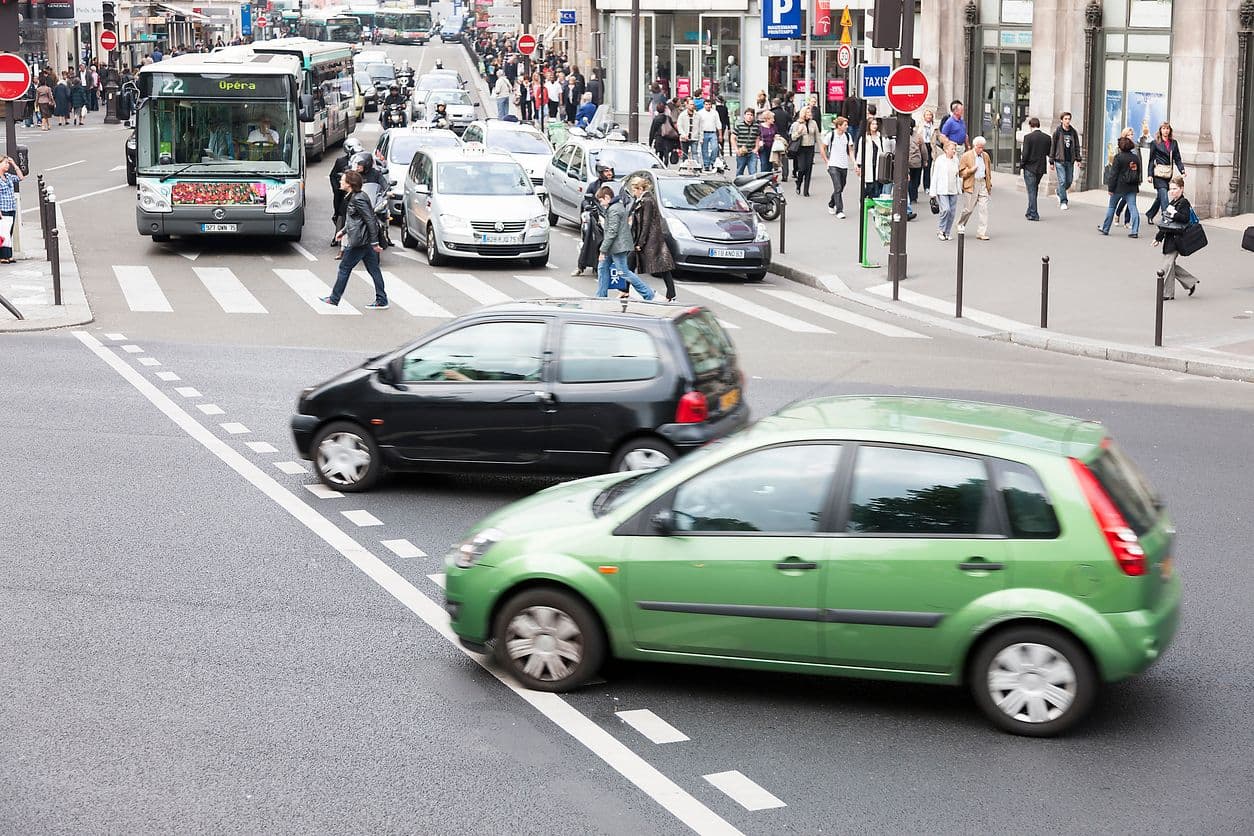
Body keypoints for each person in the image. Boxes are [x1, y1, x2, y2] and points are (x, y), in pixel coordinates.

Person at [322, 171, 388, 309]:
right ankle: (382, 300)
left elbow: (369, 219)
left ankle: (334, 299)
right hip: (365, 240)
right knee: (374, 269)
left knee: (344, 268)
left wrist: (375, 242)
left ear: (350, 184)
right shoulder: (355, 196)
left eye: (343, 180)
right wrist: (343, 231)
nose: (340, 181)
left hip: (360, 241)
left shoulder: (358, 198)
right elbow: (355, 220)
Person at [597, 186, 654, 299]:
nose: (601, 203)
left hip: (618, 247)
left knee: (624, 272)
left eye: (601, 200)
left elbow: (612, 231)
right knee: (602, 267)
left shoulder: (614, 210)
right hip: (614, 246)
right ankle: (601, 296)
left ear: (607, 197)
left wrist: (602, 250)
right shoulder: (615, 207)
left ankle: (648, 293)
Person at [627, 176, 676, 302]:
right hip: (651, 239)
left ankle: (624, 291)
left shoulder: (647, 201)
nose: (633, 192)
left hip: (650, 240)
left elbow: (646, 223)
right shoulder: (643, 200)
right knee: (662, 266)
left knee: (630, 266)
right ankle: (671, 294)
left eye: (634, 189)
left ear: (640, 188)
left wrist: (640, 243)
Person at [1152, 176, 1200, 300]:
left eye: (1175, 189)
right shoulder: (1172, 203)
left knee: (1166, 266)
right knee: (1170, 265)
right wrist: (1158, 238)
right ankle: (1190, 282)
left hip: (1178, 239)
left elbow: (1184, 218)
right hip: (1170, 238)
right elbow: (1166, 222)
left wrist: (1175, 214)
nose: (1172, 191)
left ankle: (1167, 294)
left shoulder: (1184, 202)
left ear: (1181, 189)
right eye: (1170, 189)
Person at [573, 159, 617, 276]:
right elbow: (585, 200)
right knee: (589, 237)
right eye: (606, 171)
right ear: (600, 172)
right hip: (597, 217)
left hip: (612, 217)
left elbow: (624, 199)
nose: (609, 173)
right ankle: (581, 265)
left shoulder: (616, 185)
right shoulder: (594, 186)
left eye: (610, 171)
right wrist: (588, 206)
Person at [1098, 135, 1142, 238]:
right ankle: (1134, 231)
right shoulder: (1135, 158)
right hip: (1131, 187)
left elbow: (1113, 175)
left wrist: (1110, 188)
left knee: (1112, 207)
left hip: (1118, 187)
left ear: (1120, 147)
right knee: (1133, 207)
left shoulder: (1118, 158)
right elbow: (1138, 173)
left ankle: (1106, 228)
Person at [1145, 121, 1185, 225]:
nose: (1165, 131)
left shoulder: (1174, 143)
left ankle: (1150, 213)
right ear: (1160, 130)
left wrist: (1182, 170)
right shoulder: (1155, 143)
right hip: (1158, 174)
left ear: (1170, 130)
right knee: (1164, 195)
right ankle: (1166, 218)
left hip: (1168, 173)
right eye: (1163, 128)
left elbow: (1177, 158)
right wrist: (1149, 175)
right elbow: (1151, 160)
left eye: (1167, 128)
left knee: (1160, 197)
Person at [329, 137, 364, 245]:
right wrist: (338, 189)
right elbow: (333, 176)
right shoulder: (341, 162)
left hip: (357, 192)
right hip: (343, 193)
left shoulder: (363, 162)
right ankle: (336, 236)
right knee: (340, 212)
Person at [957, 135, 993, 240]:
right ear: (974, 146)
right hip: (972, 183)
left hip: (982, 183)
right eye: (979, 147)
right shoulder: (966, 156)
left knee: (984, 209)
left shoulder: (985, 156)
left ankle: (981, 232)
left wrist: (989, 183)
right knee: (968, 209)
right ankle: (961, 224)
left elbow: (988, 170)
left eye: (983, 147)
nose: (981, 150)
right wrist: (970, 170)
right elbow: (961, 172)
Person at [819, 116, 852, 218]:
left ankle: (831, 203)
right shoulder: (831, 135)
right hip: (833, 164)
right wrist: (826, 161)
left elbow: (850, 150)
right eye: (845, 125)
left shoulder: (847, 135)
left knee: (841, 186)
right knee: (837, 187)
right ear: (839, 126)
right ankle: (839, 210)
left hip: (844, 165)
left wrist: (854, 162)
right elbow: (823, 148)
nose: (847, 126)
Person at [1020, 117, 1051, 222]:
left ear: (1030, 125)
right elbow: (1048, 152)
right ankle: (1030, 211)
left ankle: (1034, 213)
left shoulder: (1028, 137)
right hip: (1041, 167)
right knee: (1034, 189)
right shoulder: (1047, 138)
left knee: (1031, 191)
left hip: (1030, 167)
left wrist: (1022, 165)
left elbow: (1025, 154)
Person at [1049, 111, 1082, 210]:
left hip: (1070, 160)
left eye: (1069, 119)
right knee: (1062, 181)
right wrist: (1051, 161)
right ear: (1062, 120)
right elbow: (1053, 146)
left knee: (1069, 181)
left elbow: (1076, 146)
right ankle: (1063, 201)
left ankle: (1059, 191)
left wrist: (1078, 159)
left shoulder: (1073, 132)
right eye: (1065, 119)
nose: (1067, 121)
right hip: (1060, 160)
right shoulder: (1058, 132)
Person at [930, 140, 961, 241]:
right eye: (952, 149)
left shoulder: (956, 160)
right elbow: (935, 176)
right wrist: (932, 193)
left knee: (952, 212)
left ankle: (947, 232)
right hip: (942, 189)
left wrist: (959, 188)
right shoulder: (940, 160)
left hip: (953, 190)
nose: (954, 151)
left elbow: (957, 175)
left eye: (954, 149)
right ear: (946, 150)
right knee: (946, 210)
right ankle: (941, 230)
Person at [789, 106, 820, 196]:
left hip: (810, 147)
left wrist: (822, 148)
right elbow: (793, 137)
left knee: (809, 169)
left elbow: (817, 136)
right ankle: (798, 183)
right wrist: (799, 132)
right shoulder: (797, 124)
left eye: (810, 113)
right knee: (802, 168)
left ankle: (806, 190)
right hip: (801, 148)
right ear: (803, 114)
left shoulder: (813, 123)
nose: (810, 114)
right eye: (807, 113)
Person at [854, 117, 885, 203]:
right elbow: (860, 152)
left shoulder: (880, 137)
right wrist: (859, 166)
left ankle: (871, 204)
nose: (875, 126)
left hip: (877, 164)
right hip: (868, 165)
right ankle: (862, 201)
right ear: (869, 125)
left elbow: (883, 150)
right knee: (869, 186)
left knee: (876, 187)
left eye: (876, 124)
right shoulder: (864, 138)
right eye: (872, 124)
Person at [0, 155, 24, 264]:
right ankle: (3, 256)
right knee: (2, 233)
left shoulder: (8, 176)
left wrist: (14, 164)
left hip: (11, 208)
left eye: (7, 163)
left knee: (8, 232)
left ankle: (8, 255)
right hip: (3, 208)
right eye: (5, 163)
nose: (7, 165)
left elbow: (20, 178)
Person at [731, 107, 760, 176]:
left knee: (753, 172)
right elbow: (733, 137)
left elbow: (757, 138)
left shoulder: (756, 126)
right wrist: (736, 149)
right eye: (748, 114)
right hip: (742, 152)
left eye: (751, 115)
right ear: (744, 116)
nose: (749, 117)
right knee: (740, 171)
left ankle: (753, 186)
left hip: (752, 152)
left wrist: (756, 148)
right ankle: (738, 185)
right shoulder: (739, 125)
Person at [649, 102, 680, 166]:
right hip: (667, 138)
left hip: (659, 137)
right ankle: (665, 163)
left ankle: (661, 162)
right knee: (666, 151)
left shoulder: (656, 119)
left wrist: (650, 142)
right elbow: (673, 128)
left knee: (660, 152)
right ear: (664, 109)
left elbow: (652, 131)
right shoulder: (668, 118)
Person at [698, 98, 721, 170]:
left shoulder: (715, 113)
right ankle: (706, 164)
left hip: (712, 132)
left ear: (711, 105)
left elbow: (718, 123)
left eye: (709, 104)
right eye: (706, 104)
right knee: (704, 150)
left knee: (715, 148)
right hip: (704, 132)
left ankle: (712, 161)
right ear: (704, 105)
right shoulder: (700, 113)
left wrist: (720, 134)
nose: (708, 106)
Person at [676, 98, 699, 164]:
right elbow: (679, 126)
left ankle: (696, 166)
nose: (692, 106)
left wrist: (701, 137)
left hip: (694, 137)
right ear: (687, 105)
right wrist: (683, 134)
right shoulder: (682, 115)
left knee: (694, 153)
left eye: (693, 104)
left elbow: (700, 127)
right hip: (684, 138)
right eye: (691, 104)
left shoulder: (697, 115)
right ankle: (685, 165)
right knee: (685, 153)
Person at [756, 110, 777, 174]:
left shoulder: (774, 126)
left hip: (772, 148)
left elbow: (776, 133)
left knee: (770, 165)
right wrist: (759, 143)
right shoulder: (760, 127)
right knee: (764, 164)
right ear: (767, 119)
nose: (773, 120)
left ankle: (769, 180)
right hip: (763, 147)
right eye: (772, 118)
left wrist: (777, 137)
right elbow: (756, 137)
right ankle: (763, 179)